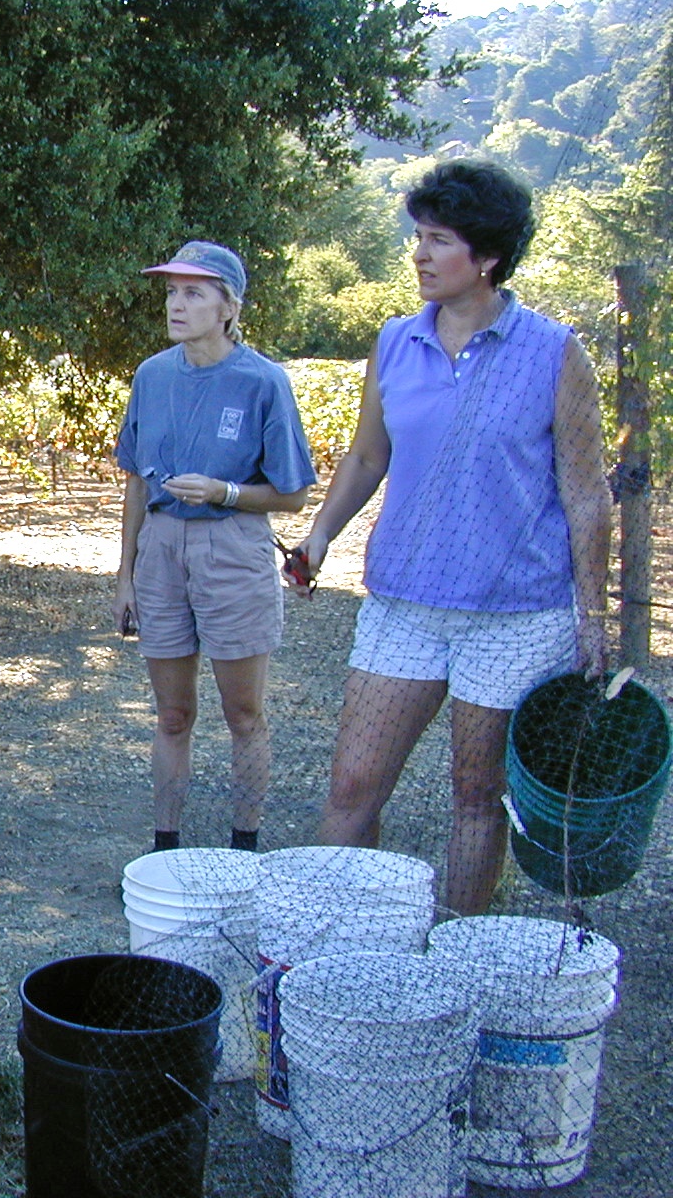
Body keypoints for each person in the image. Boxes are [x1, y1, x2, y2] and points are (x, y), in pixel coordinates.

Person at [287, 160, 610, 915]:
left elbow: (586, 491)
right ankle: (342, 940)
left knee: (476, 795)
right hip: (404, 603)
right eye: (418, 238)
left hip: (515, 617)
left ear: (488, 257)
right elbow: (369, 454)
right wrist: (322, 534)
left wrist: (591, 618)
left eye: (438, 240)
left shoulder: (556, 353)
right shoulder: (396, 342)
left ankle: (461, 952)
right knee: (352, 785)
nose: (420, 255)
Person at [111, 242, 316, 854]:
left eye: (194, 292)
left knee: (243, 715)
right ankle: (165, 848)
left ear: (229, 306)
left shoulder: (263, 381)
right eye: (172, 291)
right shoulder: (151, 375)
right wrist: (126, 573)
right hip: (162, 551)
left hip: (232, 548)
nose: (177, 303)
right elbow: (136, 484)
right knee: (173, 715)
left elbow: (294, 496)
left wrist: (224, 492)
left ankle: (243, 847)